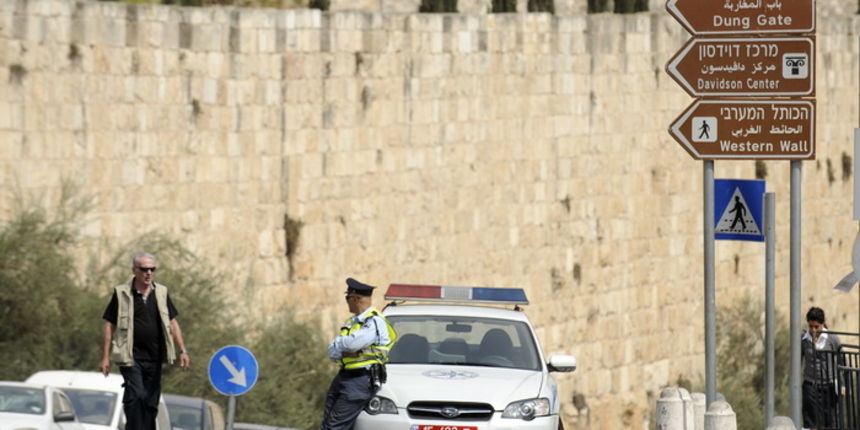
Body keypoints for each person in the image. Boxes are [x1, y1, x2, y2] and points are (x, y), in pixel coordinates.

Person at [99, 252, 191, 430]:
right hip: (130, 357)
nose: (148, 273)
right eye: (144, 269)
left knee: (150, 402)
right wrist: (105, 357)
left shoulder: (161, 293)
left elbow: (172, 322)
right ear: (134, 270)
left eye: (152, 269)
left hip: (155, 358)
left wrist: (183, 350)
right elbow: (110, 324)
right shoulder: (122, 294)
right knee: (136, 395)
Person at [320, 278, 397, 430]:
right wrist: (344, 350)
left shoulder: (374, 321)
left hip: (360, 380)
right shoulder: (353, 322)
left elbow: (351, 344)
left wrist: (341, 345)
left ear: (355, 298)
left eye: (347, 298)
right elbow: (331, 351)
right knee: (328, 423)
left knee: (334, 426)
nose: (347, 302)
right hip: (344, 377)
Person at [801, 306, 842, 430]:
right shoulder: (803, 339)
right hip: (810, 385)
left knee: (829, 420)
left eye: (816, 327)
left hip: (828, 385)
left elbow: (841, 360)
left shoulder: (832, 339)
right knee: (812, 421)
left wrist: (843, 385)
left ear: (823, 324)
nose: (813, 330)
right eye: (811, 326)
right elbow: (798, 360)